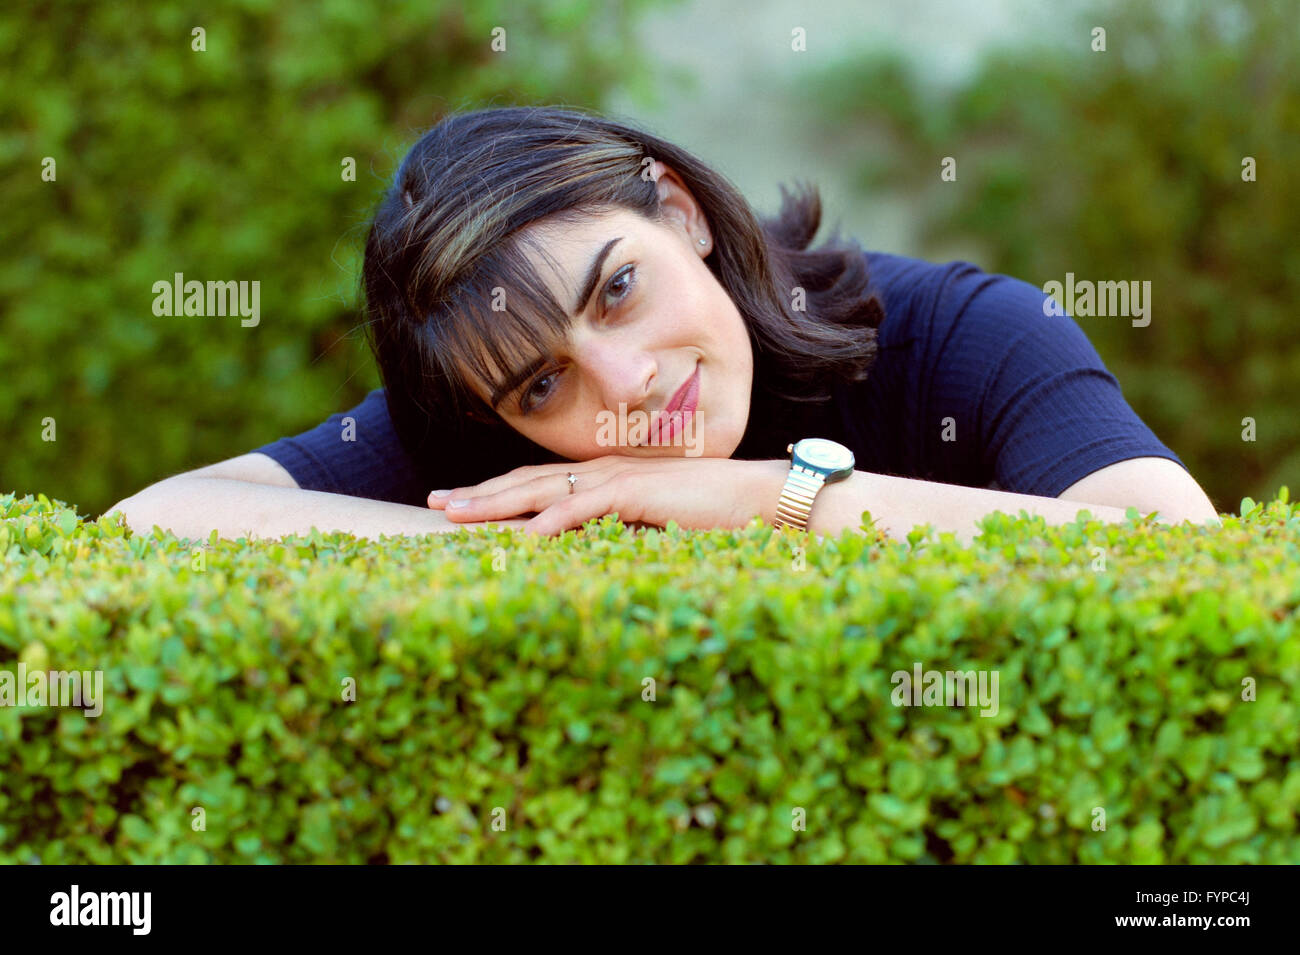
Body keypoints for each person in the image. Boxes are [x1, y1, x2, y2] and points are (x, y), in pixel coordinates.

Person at [109, 105, 1219, 544]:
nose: (624, 384)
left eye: (615, 289)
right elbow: (151, 523)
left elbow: (1172, 549)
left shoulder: (962, 333)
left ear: (677, 210)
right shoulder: (499, 441)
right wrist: (510, 540)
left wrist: (751, 498)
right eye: (542, 387)